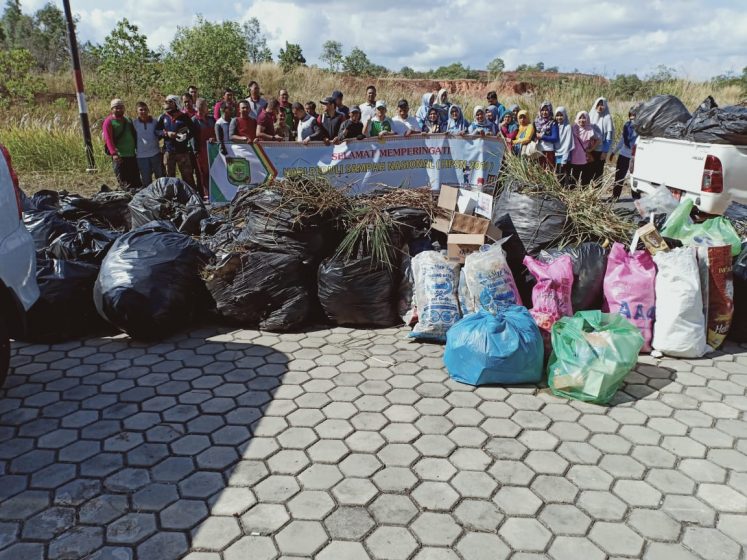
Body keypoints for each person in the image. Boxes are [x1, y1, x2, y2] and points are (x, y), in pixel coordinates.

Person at [156, 95, 195, 186]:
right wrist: (166, 133)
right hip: (168, 151)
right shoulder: (163, 117)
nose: (167, 104)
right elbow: (157, 131)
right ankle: (172, 196)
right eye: (166, 102)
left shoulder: (184, 116)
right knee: (170, 176)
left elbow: (193, 130)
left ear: (175, 103)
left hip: (183, 151)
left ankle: (191, 195)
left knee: (187, 175)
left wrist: (186, 136)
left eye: (169, 102)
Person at [103, 98, 140, 189]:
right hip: (120, 156)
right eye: (116, 108)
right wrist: (114, 154)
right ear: (112, 109)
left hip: (131, 154)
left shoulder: (128, 120)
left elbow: (134, 135)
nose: (119, 109)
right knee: (124, 181)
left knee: (135, 179)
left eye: (121, 107)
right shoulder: (109, 121)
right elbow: (108, 139)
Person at [133, 101, 164, 187]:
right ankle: (149, 198)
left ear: (148, 110)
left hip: (155, 154)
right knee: (146, 180)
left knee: (160, 178)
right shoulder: (134, 123)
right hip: (141, 156)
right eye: (141, 110)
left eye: (145, 109)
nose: (143, 112)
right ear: (137, 111)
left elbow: (160, 134)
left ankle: (161, 196)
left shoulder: (155, 122)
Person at [609, 109, 638, 199]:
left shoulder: (641, 128)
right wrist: (614, 152)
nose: (632, 118)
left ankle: (636, 198)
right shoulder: (626, 126)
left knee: (635, 178)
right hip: (624, 155)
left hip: (635, 157)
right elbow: (622, 140)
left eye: (634, 115)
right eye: (631, 115)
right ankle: (615, 196)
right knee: (619, 177)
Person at [191, 98, 216, 199]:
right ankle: (205, 196)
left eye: (205, 106)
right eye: (205, 106)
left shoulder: (211, 119)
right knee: (202, 175)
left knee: (213, 172)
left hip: (212, 151)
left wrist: (214, 138)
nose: (206, 108)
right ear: (199, 108)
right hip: (201, 152)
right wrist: (195, 151)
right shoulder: (194, 120)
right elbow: (192, 137)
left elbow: (216, 133)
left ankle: (214, 194)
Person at [570, 111, 601, 185]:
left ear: (587, 119)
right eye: (580, 117)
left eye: (584, 118)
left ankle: (583, 194)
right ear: (577, 118)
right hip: (574, 157)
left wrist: (591, 149)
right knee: (574, 178)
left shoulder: (590, 130)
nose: (582, 120)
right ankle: (574, 194)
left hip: (584, 158)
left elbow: (599, 139)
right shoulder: (573, 128)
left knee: (584, 178)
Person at [589, 97, 614, 181]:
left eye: (602, 105)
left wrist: (605, 152)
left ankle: (596, 191)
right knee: (589, 171)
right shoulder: (591, 115)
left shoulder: (607, 118)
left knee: (598, 173)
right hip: (590, 150)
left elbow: (608, 138)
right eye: (598, 104)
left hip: (600, 151)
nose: (600, 107)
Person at [535, 101, 560, 168]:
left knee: (549, 172)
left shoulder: (553, 122)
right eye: (542, 110)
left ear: (550, 110)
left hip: (548, 151)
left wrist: (542, 137)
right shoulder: (536, 121)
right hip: (537, 151)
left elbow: (555, 138)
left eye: (546, 110)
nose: (544, 112)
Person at [553, 107, 574, 184]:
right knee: (558, 174)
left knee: (564, 174)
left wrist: (564, 159)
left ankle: (565, 192)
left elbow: (568, 144)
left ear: (564, 115)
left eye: (561, 115)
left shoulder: (568, 127)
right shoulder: (555, 125)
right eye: (557, 115)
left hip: (565, 155)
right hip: (557, 154)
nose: (559, 117)